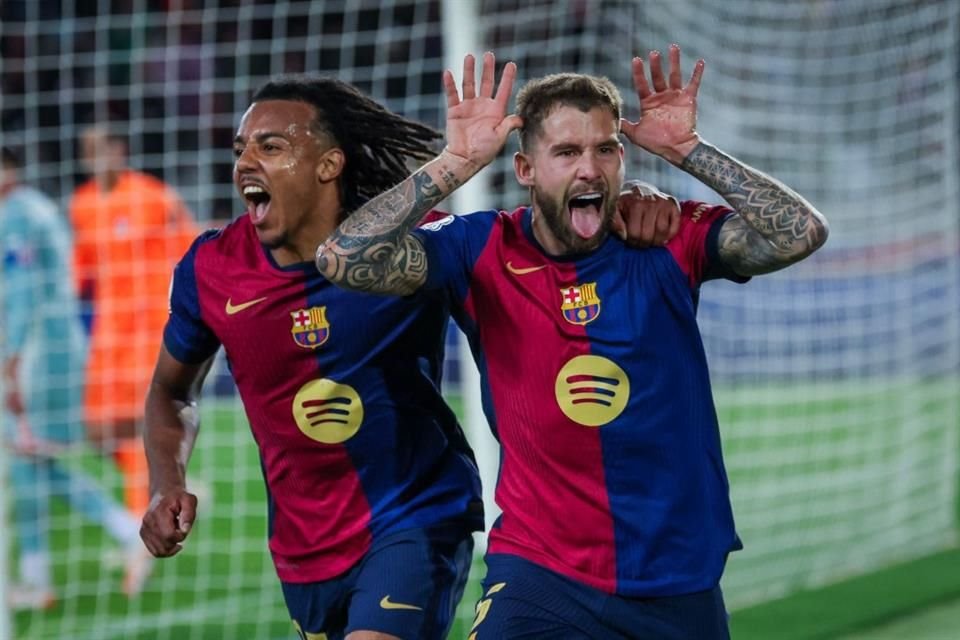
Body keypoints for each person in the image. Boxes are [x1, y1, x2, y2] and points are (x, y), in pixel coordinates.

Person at [138, 73, 681, 640]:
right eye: (240, 150)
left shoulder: (414, 250)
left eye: (270, 146)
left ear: (329, 165)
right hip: (304, 546)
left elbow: (545, 235)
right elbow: (172, 391)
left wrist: (634, 198)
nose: (245, 162)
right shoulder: (210, 269)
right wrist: (165, 482)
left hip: (417, 518)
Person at [315, 47, 829, 639]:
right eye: (566, 152)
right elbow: (342, 259)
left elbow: (801, 233)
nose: (590, 169)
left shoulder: (664, 239)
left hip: (676, 574)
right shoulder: (479, 249)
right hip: (541, 573)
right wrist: (454, 163)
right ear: (526, 170)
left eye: (605, 149)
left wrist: (688, 152)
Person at [1, 146, 153, 607]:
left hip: (37, 354)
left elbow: (24, 294)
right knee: (36, 461)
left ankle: (39, 576)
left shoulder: (18, 216)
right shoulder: (35, 210)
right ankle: (123, 534)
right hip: (52, 348)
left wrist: (10, 359)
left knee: (25, 458)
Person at [69, 124, 199, 519]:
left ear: (119, 151)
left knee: (141, 422)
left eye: (101, 148)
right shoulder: (82, 204)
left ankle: (141, 521)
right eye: (88, 150)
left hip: (150, 329)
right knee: (98, 430)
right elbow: (81, 271)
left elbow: (190, 249)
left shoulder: (153, 196)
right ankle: (163, 491)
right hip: (109, 333)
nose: (96, 158)